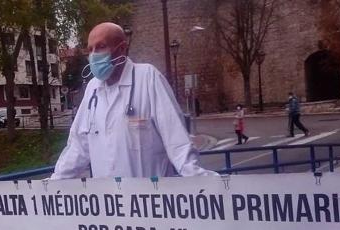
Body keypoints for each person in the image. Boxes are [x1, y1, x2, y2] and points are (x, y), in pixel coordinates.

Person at [51, 22, 216, 179]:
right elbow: (78, 147)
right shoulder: (92, 89)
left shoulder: (147, 78)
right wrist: (49, 187)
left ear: (121, 48)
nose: (93, 55)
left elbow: (177, 141)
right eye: (90, 49)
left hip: (150, 200)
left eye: (101, 47)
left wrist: (209, 185)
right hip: (110, 203)